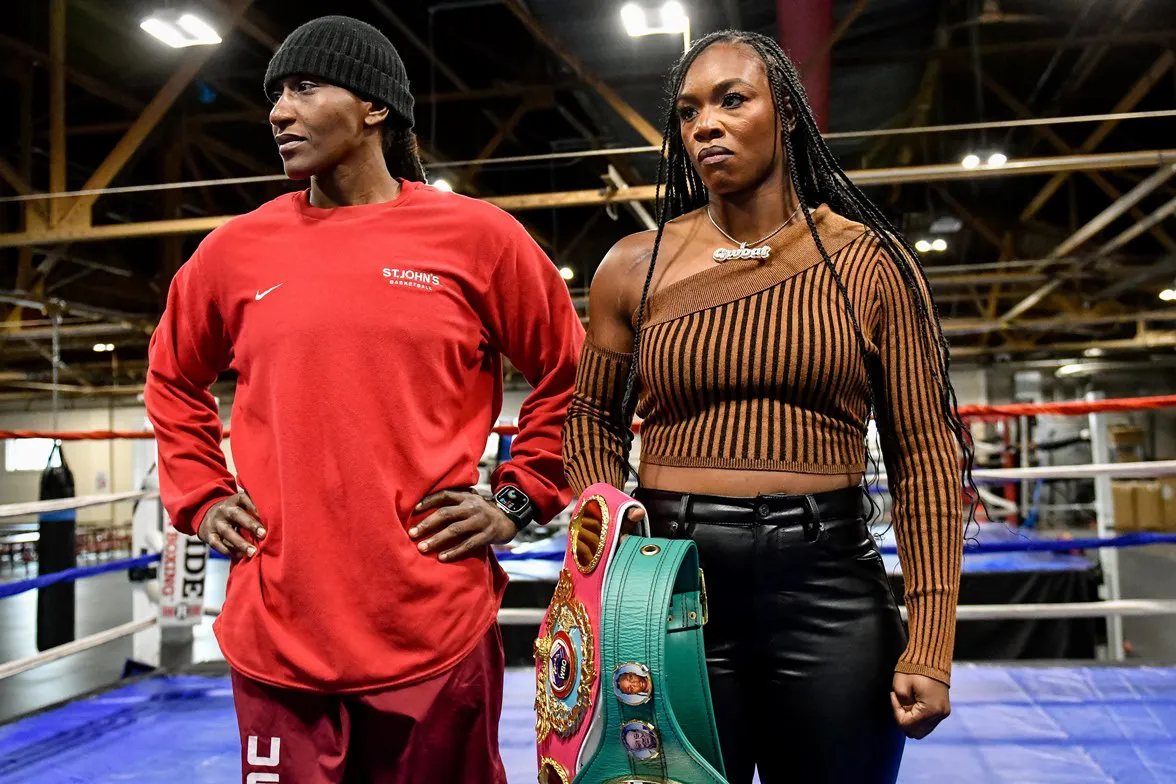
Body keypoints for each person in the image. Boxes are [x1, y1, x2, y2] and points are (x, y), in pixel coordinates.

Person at [144, 15, 583, 783]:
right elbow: (172, 377)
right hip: (282, 628)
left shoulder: (478, 238)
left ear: (376, 107)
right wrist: (202, 496)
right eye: (274, 93)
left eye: (305, 88)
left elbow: (572, 376)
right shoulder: (233, 251)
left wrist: (519, 500)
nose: (279, 111)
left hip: (433, 625)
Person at [562, 30, 973, 784]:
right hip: (672, 587)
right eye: (688, 113)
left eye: (731, 100)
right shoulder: (632, 265)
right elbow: (591, 416)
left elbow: (927, 455)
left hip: (829, 593)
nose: (704, 126)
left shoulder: (870, 264)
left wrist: (933, 640)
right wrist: (613, 538)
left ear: (785, 111)